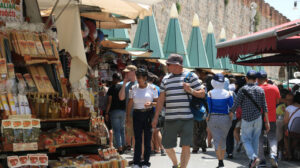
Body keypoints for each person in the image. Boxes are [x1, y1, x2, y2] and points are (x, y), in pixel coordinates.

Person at [151, 54, 205, 168]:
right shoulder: (165, 79)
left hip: (188, 118)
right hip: (170, 118)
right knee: (166, 145)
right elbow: (161, 99)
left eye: (168, 64)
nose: (166, 66)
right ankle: (176, 164)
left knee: (186, 145)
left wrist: (190, 90)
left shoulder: (191, 76)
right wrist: (156, 117)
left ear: (176, 65)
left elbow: (202, 94)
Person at [230, 70, 270, 168]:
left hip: (247, 119)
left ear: (247, 78)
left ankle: (253, 158)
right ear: (256, 79)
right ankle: (253, 164)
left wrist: (231, 112)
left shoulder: (242, 89)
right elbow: (264, 107)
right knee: (255, 141)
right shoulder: (261, 90)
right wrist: (267, 122)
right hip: (258, 119)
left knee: (245, 140)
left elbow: (236, 104)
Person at [127, 68, 158, 168]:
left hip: (148, 114)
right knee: (137, 139)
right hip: (137, 115)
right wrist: (127, 117)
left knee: (147, 139)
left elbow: (158, 103)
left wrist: (151, 103)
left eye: (139, 77)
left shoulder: (152, 88)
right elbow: (130, 103)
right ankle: (136, 162)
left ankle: (146, 162)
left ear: (145, 78)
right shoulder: (133, 88)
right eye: (137, 77)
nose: (138, 79)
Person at [207, 73, 234, 168]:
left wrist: (207, 119)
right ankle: (222, 159)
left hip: (213, 118)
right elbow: (232, 107)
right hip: (225, 118)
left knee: (217, 139)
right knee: (223, 139)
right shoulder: (229, 93)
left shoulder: (210, 93)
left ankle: (220, 161)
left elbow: (209, 109)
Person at [257, 70, 281, 168]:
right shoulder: (275, 88)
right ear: (267, 79)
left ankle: (262, 160)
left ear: (258, 79)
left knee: (259, 138)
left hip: (258, 118)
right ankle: (273, 155)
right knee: (272, 137)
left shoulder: (256, 89)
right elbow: (278, 101)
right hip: (271, 117)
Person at [106, 73, 126, 153]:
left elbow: (109, 102)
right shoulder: (123, 87)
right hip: (123, 111)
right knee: (122, 129)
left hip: (114, 111)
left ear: (114, 79)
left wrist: (106, 112)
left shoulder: (112, 88)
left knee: (116, 130)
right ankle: (123, 145)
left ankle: (119, 147)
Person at [119, 65, 137, 152]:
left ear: (133, 72)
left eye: (128, 72)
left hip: (138, 112)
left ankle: (136, 152)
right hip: (129, 112)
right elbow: (121, 98)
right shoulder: (126, 84)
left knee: (135, 133)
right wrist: (124, 83)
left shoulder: (139, 83)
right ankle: (132, 149)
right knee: (130, 132)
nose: (126, 74)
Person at [283, 90, 300, 160]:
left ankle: (288, 153)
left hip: (291, 130)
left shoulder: (289, 108)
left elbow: (285, 121)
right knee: (296, 137)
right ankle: (290, 152)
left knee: (286, 136)